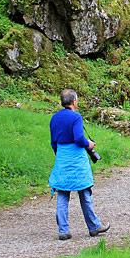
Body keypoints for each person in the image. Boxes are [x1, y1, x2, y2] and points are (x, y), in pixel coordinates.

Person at [48, 89, 109, 240]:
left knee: (63, 193)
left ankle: (63, 230)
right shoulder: (76, 117)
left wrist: (60, 155)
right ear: (74, 101)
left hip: (62, 158)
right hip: (77, 160)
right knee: (84, 192)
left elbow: (53, 142)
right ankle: (94, 226)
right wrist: (89, 144)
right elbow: (79, 138)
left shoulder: (54, 118)